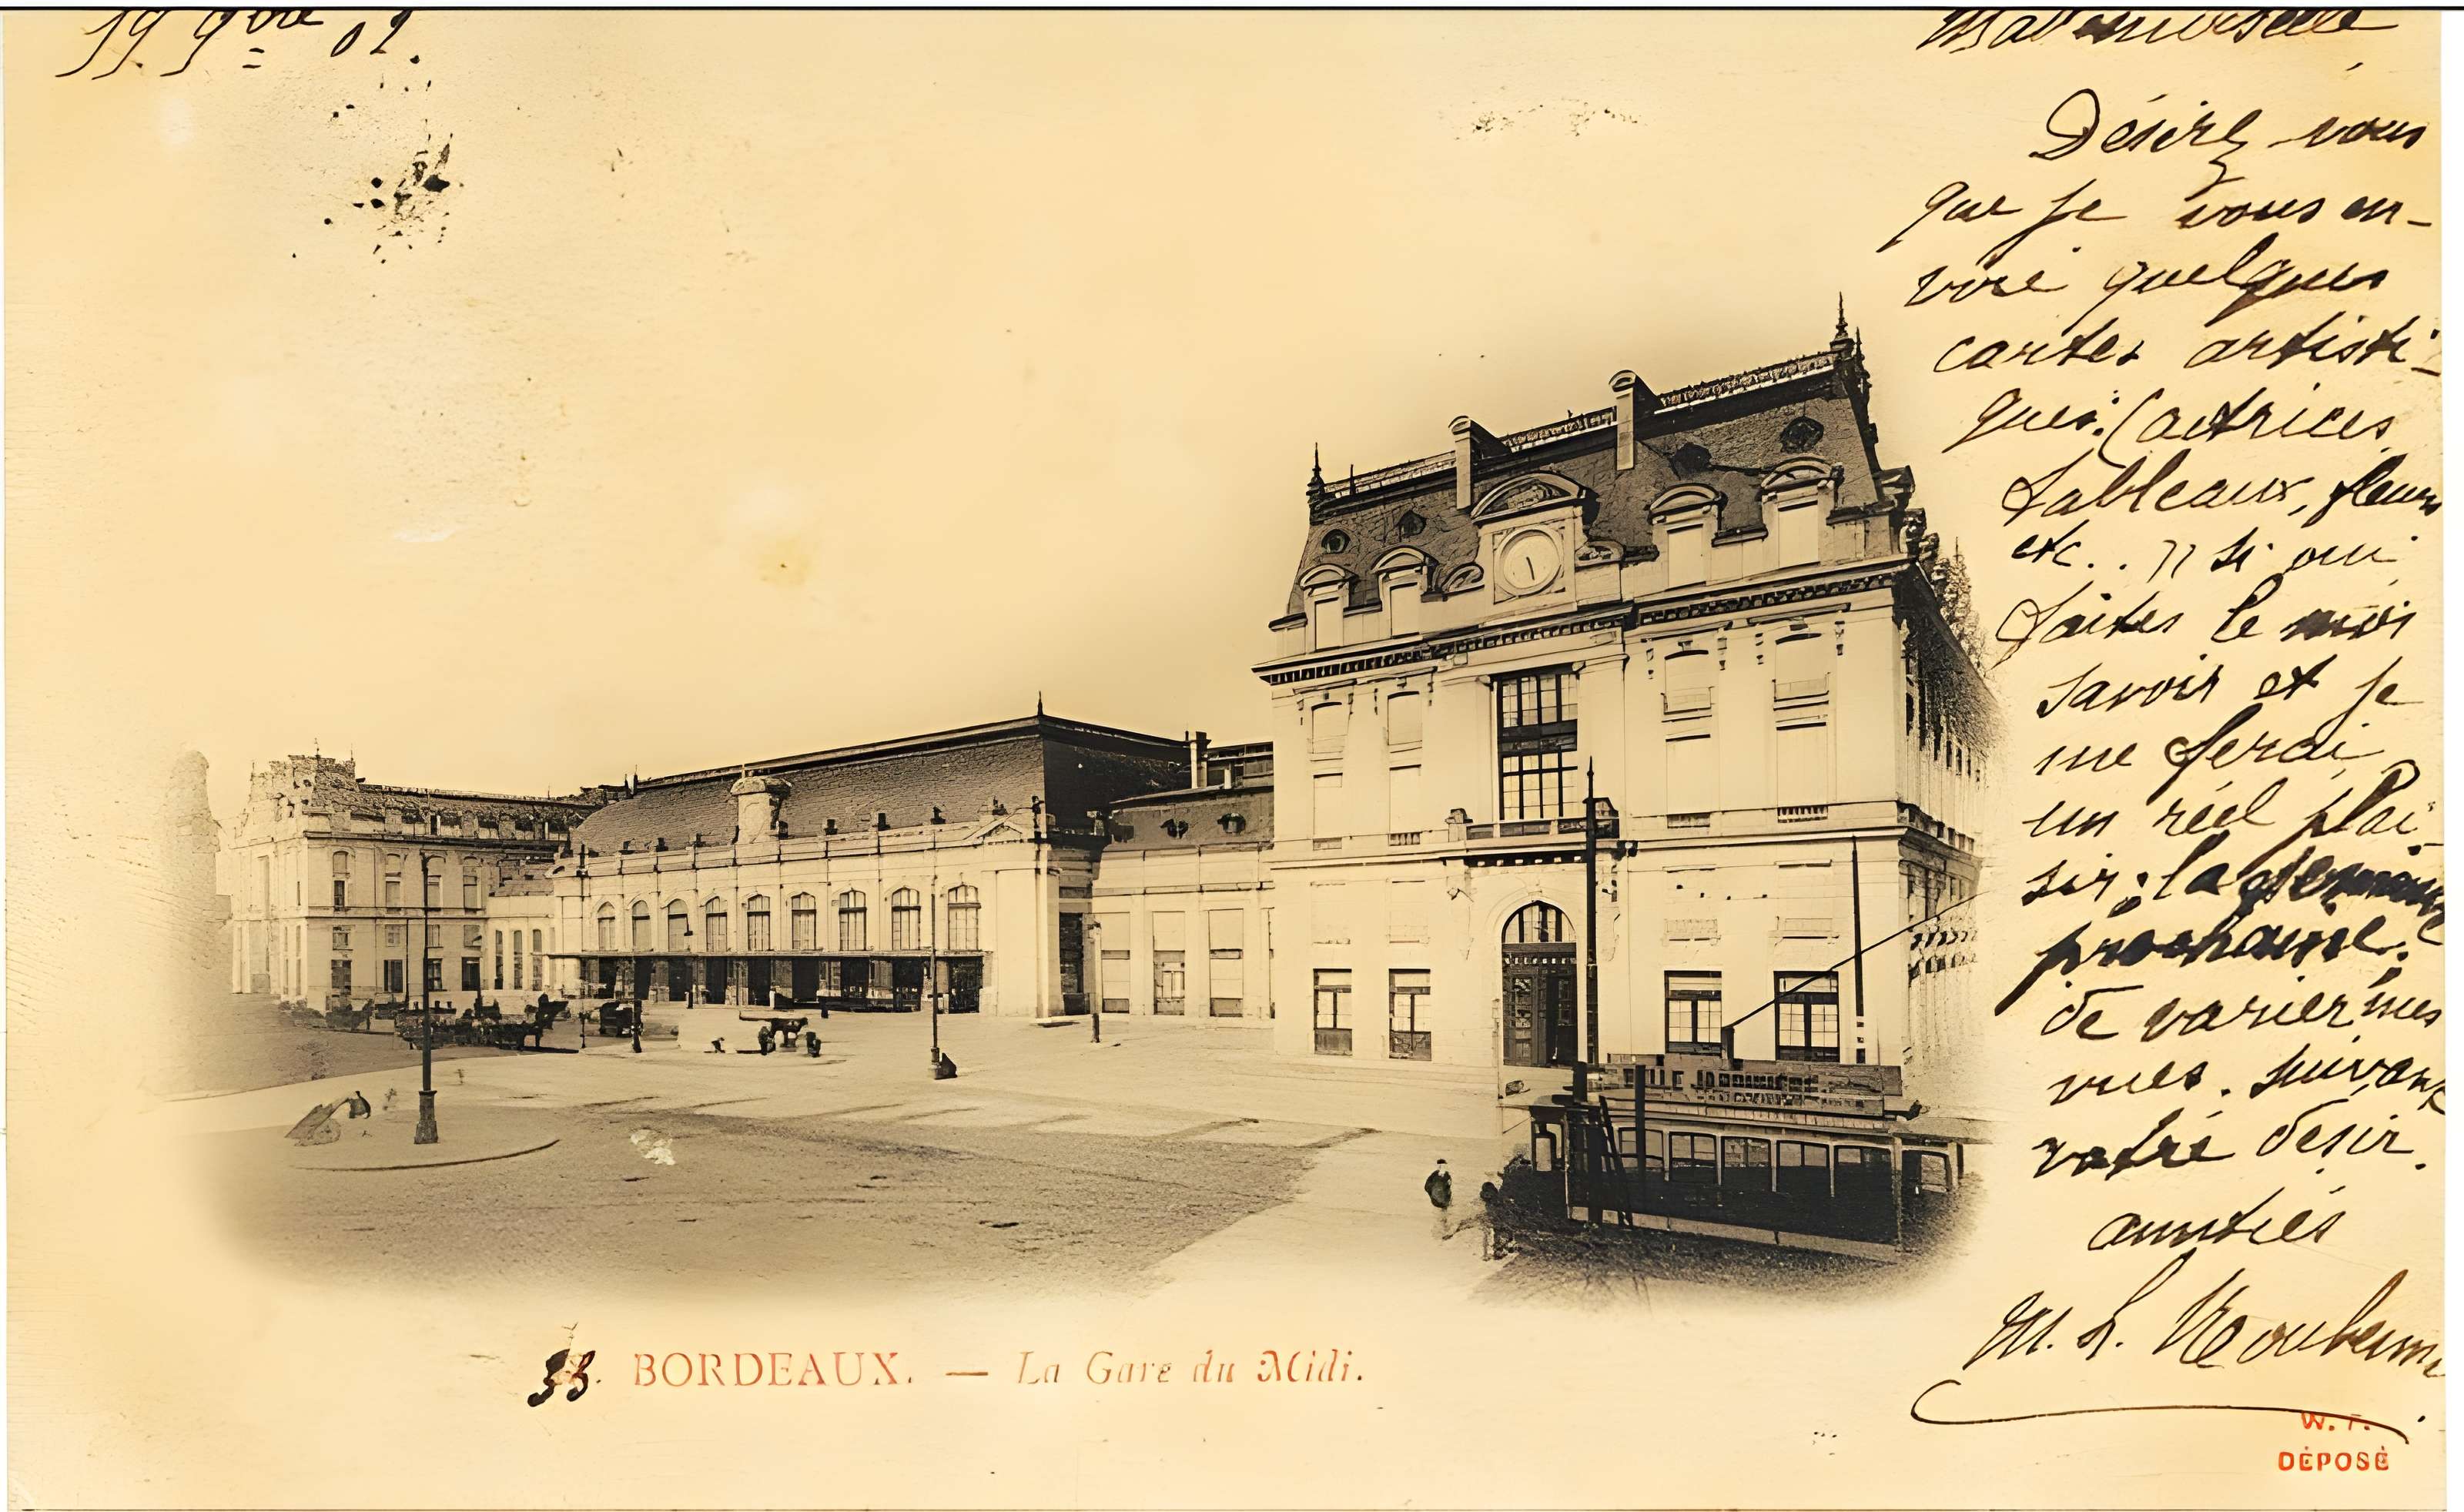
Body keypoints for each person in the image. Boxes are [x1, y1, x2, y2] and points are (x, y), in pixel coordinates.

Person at [1424, 1158, 1454, 1241]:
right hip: (1441, 1201)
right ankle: (1443, 1234)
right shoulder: (1440, 1175)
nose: (1442, 1167)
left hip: (1440, 1201)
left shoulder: (1443, 1175)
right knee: (1442, 1217)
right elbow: (1427, 1187)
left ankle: (1443, 1233)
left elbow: (1427, 1187)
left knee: (1442, 1217)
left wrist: (1433, 1195)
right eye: (1441, 1166)